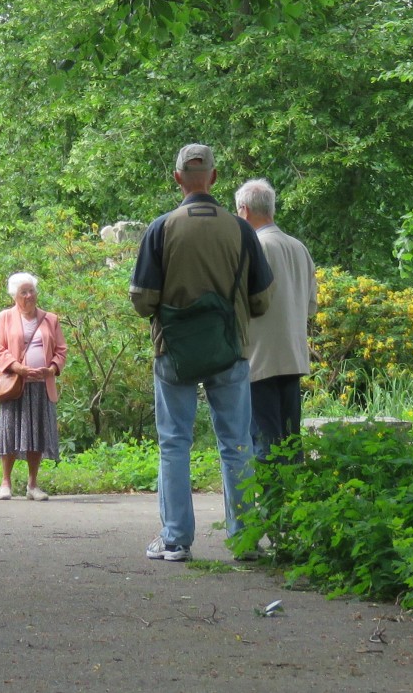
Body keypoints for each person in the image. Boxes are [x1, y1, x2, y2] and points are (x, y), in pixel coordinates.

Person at [131, 143, 273, 563]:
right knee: (236, 445)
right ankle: (244, 540)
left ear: (177, 178)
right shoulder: (241, 230)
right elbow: (262, 299)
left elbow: (142, 299)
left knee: (174, 443)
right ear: (213, 178)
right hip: (229, 350)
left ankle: (175, 539)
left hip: (174, 351)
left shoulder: (161, 228)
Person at [235, 178, 318, 456]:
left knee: (265, 443)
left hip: (259, 360)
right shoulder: (299, 248)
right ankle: (293, 498)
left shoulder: (254, 248)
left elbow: (240, 302)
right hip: (293, 357)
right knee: (291, 442)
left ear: (244, 210)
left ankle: (271, 499)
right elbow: (310, 307)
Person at [0, 272, 67, 501]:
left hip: (42, 385)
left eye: (31, 290)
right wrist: (17, 367)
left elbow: (61, 349)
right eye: (23, 292)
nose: (29, 295)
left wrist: (52, 369)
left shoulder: (50, 319)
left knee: (38, 434)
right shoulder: (4, 317)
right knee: (10, 432)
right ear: (14, 295)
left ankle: (33, 485)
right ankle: (6, 482)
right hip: (15, 384)